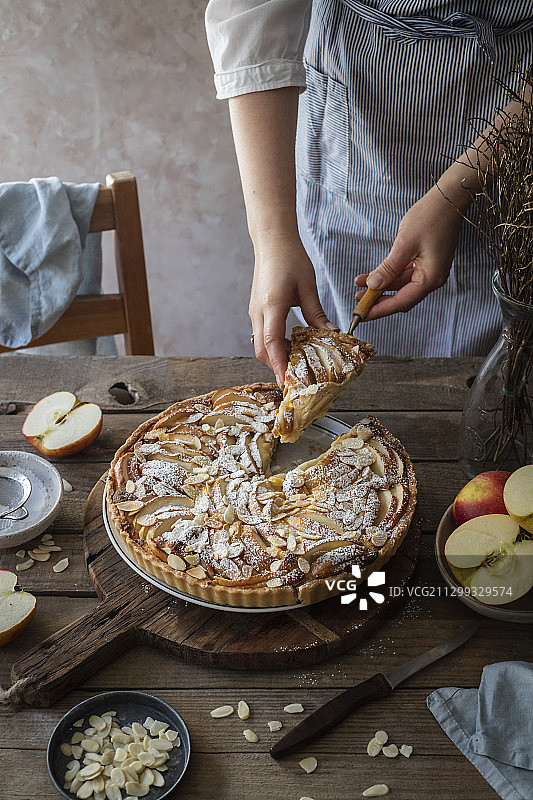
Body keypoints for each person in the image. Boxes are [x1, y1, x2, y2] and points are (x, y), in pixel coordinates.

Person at [205, 0, 533, 386]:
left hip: (513, 110)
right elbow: (251, 13)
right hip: (355, 89)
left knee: (494, 373)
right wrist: (272, 238)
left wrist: (453, 193)